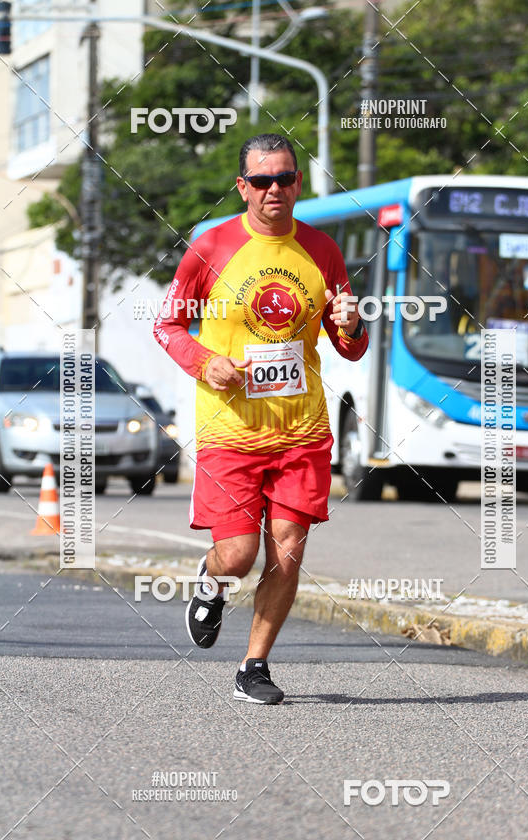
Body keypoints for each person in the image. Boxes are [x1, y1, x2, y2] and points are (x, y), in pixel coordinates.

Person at [154, 133, 368, 704]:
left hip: (302, 432)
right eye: (263, 180)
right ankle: (212, 581)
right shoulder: (210, 246)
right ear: (242, 187)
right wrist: (206, 363)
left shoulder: (322, 250)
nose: (276, 189)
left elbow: (350, 347)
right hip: (231, 431)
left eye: (286, 178)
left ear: (298, 183)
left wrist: (351, 324)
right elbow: (167, 326)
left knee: (288, 550)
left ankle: (254, 665)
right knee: (239, 555)